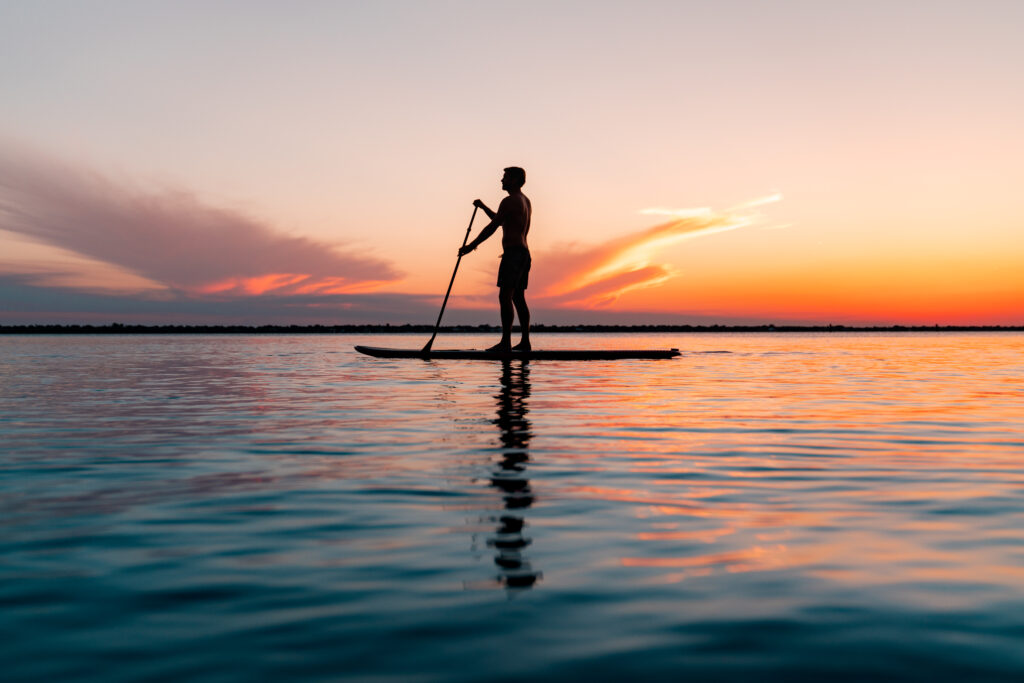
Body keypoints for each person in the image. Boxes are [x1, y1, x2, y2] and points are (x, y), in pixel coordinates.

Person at [459, 167, 532, 351]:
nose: (501, 180)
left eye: (505, 177)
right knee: (518, 298)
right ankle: (525, 342)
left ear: (514, 179)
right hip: (524, 255)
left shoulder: (509, 200)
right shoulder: (525, 201)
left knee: (505, 296)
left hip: (513, 255)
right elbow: (502, 220)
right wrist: (484, 207)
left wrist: (470, 246)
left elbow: (492, 227)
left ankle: (506, 343)